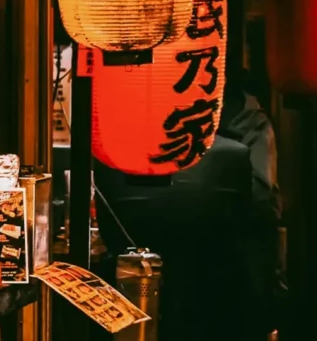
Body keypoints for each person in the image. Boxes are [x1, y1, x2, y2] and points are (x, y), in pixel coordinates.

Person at [94, 73, 285, 341]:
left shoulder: (124, 135)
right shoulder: (245, 123)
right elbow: (263, 208)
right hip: (222, 289)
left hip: (132, 289)